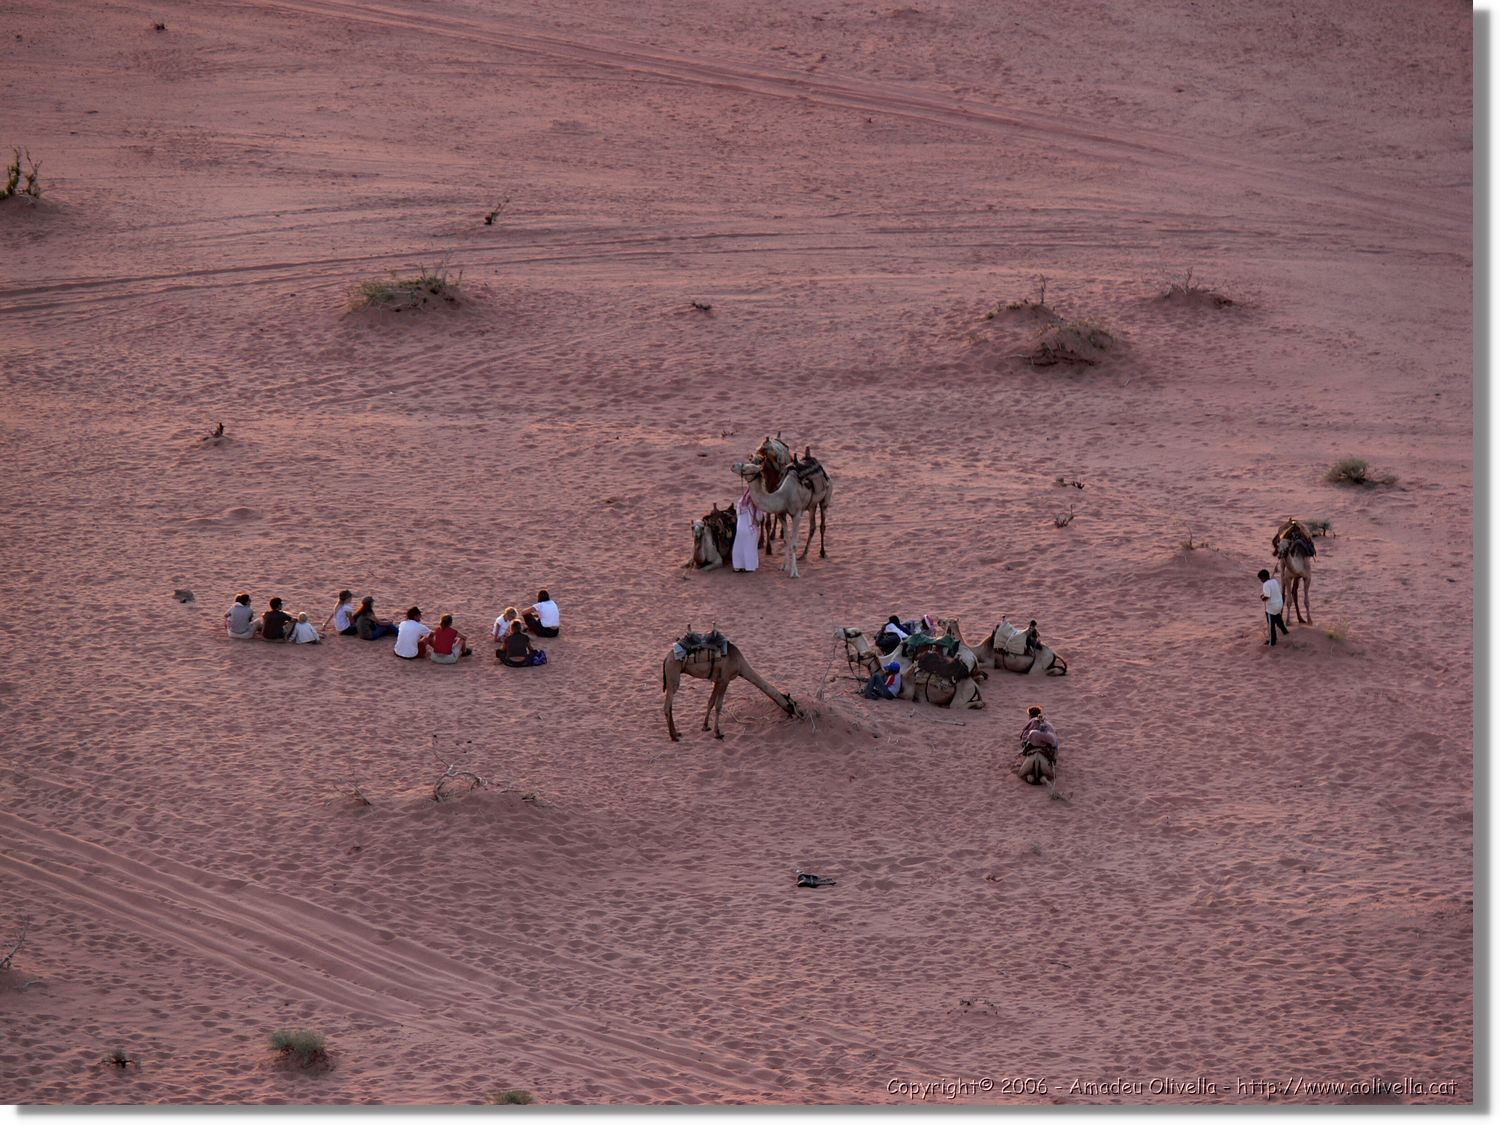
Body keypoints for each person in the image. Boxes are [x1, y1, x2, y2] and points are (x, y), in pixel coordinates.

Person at [732, 486, 761, 572]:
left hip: (740, 528)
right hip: (750, 528)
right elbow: (759, 517)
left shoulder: (741, 501)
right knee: (750, 548)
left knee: (739, 547)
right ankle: (749, 567)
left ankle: (738, 566)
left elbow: (738, 514)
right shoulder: (755, 502)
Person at [1258, 569, 1288, 646]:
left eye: (1261, 579)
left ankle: (1272, 641)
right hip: (1280, 605)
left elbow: (1267, 596)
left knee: (1271, 624)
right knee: (1277, 617)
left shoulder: (1265, 584)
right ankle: (1285, 631)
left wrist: (1262, 598)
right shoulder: (1274, 581)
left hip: (1272, 608)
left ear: (1264, 577)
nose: (1261, 581)